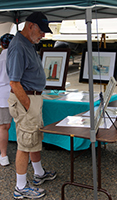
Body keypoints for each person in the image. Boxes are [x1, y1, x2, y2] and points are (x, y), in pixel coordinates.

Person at [7, 12, 57, 199]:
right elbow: (14, 82)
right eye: (41, 31)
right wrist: (28, 106)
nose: (43, 35)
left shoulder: (27, 43)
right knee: (25, 144)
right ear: (30, 26)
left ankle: (38, 173)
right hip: (25, 99)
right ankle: (20, 187)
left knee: (34, 137)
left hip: (32, 98)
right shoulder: (19, 47)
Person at [0, 33, 14, 166]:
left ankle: (3, 156)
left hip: (2, 94)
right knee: (21, 124)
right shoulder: (16, 56)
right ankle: (25, 154)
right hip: (17, 92)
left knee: (3, 127)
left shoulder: (1, 57)